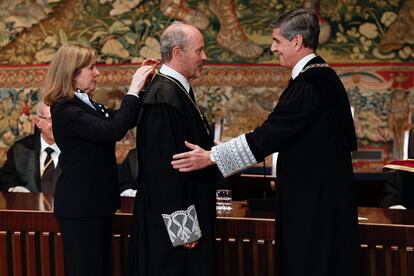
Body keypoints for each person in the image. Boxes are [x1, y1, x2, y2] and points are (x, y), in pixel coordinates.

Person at [172, 9, 359, 276]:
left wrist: (212, 156)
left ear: (296, 41)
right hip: (320, 197)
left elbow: (267, 136)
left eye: (277, 41)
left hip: (313, 205)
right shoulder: (322, 77)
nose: (272, 49)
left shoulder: (310, 84)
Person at [42, 43, 157, 276]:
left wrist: (144, 86)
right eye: (91, 67)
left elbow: (123, 119)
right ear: (72, 73)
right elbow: (113, 130)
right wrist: (132, 88)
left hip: (95, 203)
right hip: (81, 207)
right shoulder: (65, 109)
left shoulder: (85, 103)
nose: (97, 73)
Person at [126, 22, 217, 276]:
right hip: (172, 228)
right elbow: (164, 168)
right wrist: (183, 228)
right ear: (178, 53)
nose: (204, 57)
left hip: (189, 210)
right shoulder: (162, 99)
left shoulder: (175, 90)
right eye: (199, 51)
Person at [0, 101, 60, 194]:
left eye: (61, 118)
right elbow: (7, 179)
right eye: (51, 119)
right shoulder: (20, 149)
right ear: (38, 122)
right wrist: (16, 189)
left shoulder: (77, 150)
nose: (57, 124)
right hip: (28, 206)